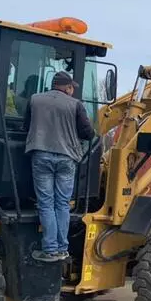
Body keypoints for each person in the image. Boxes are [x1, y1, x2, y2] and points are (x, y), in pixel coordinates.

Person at [24, 71, 95, 262]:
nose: (72, 91)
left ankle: (50, 249)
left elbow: (25, 126)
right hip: (66, 158)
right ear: (67, 87)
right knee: (62, 204)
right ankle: (63, 249)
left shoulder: (35, 100)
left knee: (46, 203)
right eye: (72, 87)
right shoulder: (75, 105)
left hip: (41, 154)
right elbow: (88, 133)